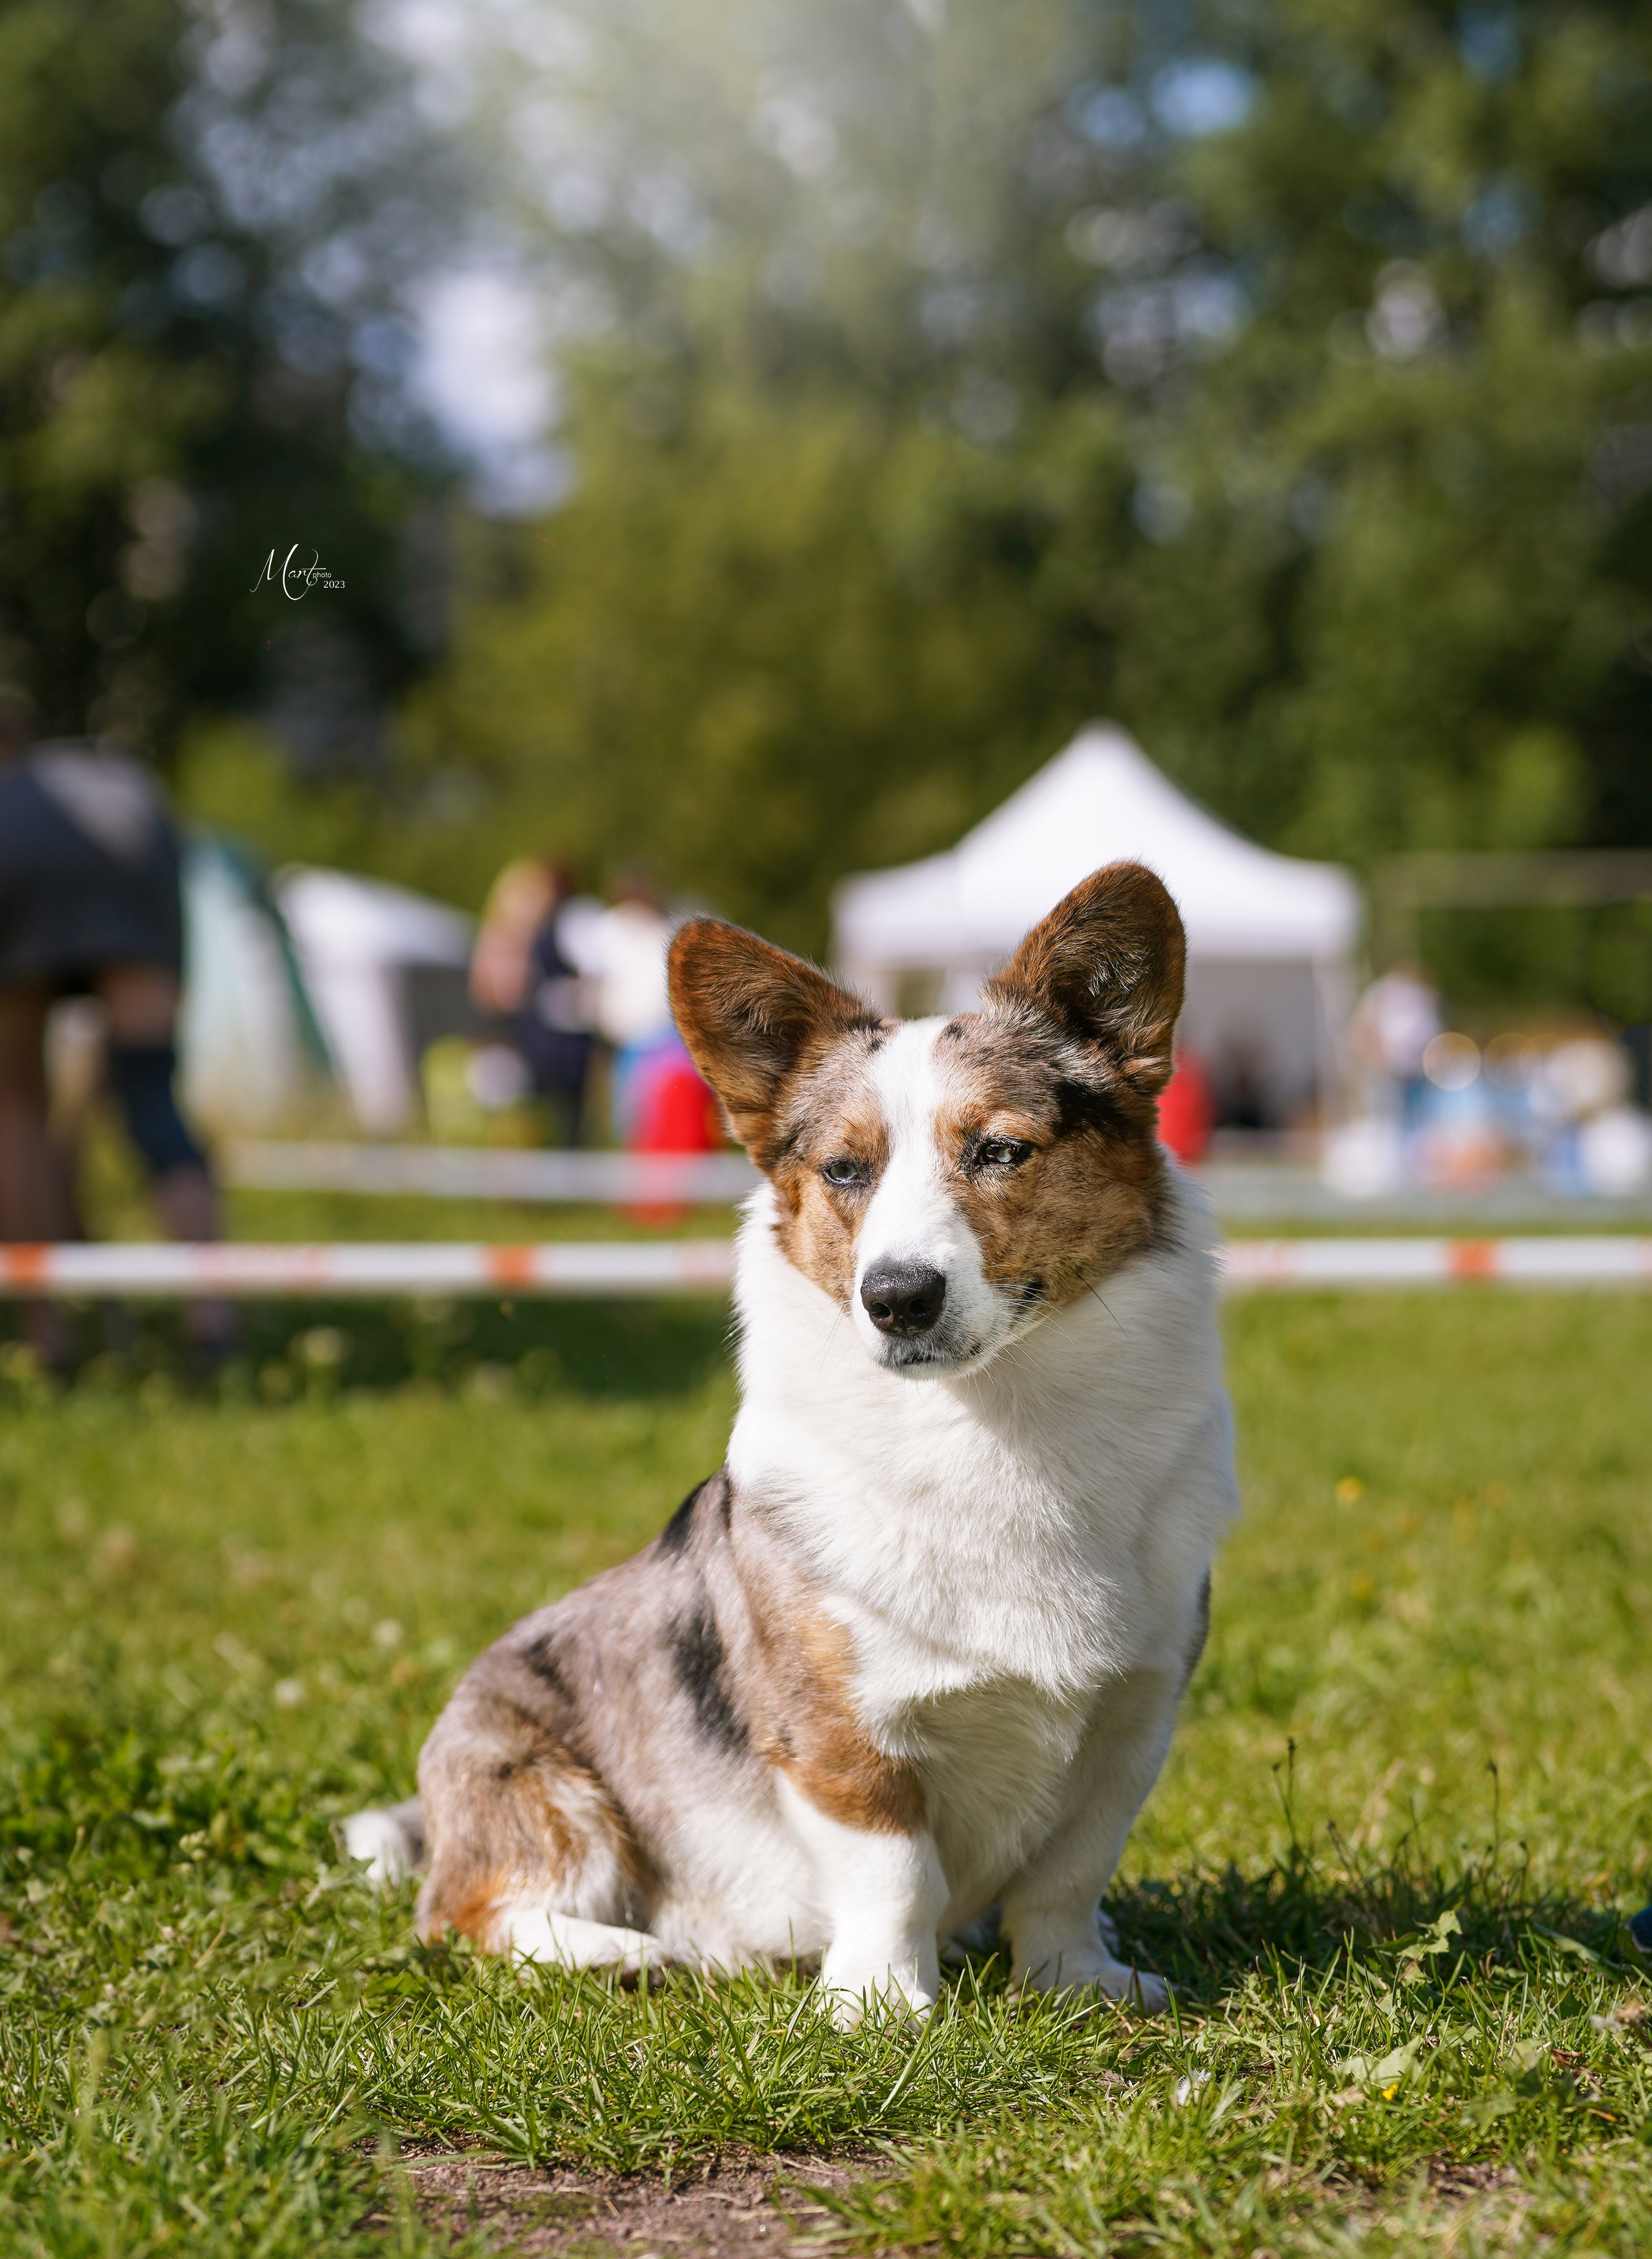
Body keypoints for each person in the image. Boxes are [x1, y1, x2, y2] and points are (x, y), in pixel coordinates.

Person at [0, 693, 225, 1363]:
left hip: (20, 864)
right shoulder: (121, 781)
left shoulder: (14, 800)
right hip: (137, 864)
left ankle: (47, 1335)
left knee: (14, 1109)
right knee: (152, 1096)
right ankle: (214, 1323)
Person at [470, 856, 594, 1142]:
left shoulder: (539, 942)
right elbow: (492, 995)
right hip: (510, 1043)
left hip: (540, 1044)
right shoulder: (499, 940)